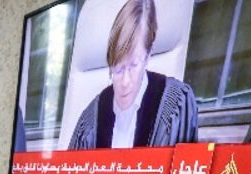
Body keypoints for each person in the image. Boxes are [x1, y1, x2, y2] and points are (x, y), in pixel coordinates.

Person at [67, 0, 197, 150]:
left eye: (134, 65)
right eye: (118, 70)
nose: (125, 82)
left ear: (148, 55)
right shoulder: (90, 120)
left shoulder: (178, 103)